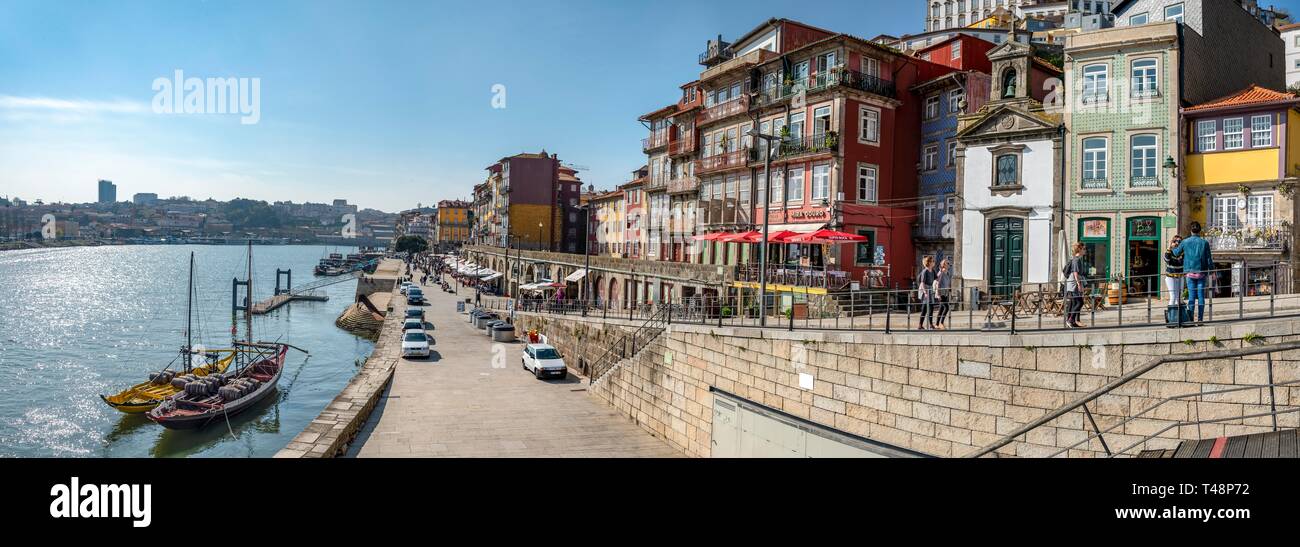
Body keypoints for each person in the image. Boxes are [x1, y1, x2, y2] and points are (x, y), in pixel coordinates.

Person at [1175, 222, 1214, 323]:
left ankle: (1191, 319)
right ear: (1200, 231)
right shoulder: (1204, 243)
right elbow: (1209, 259)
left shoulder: (1185, 242)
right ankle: (1200, 319)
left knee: (1191, 296)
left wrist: (1174, 245)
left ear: (1190, 230)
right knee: (1201, 296)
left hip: (1189, 272)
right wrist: (1212, 271)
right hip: (1201, 272)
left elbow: (1176, 253)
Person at [1064, 243, 1087, 329]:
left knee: (1076, 302)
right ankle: (1070, 320)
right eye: (1084, 249)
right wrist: (1079, 284)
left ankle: (1072, 321)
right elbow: (1075, 273)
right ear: (1080, 249)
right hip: (1074, 284)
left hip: (1073, 284)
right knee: (1080, 302)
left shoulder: (1076, 259)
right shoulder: (1076, 260)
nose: (1085, 250)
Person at [916, 256, 937, 330]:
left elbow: (937, 279)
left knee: (931, 307)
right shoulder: (925, 271)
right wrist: (925, 293)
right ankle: (921, 325)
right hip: (925, 290)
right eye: (932, 261)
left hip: (930, 290)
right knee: (925, 308)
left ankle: (930, 324)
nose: (934, 262)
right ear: (929, 263)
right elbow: (922, 283)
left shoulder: (933, 271)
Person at [1164, 235, 1184, 306]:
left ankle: (1178, 315)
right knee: (1173, 297)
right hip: (1170, 276)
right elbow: (1167, 260)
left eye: (1179, 241)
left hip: (1180, 276)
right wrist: (1169, 247)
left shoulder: (1182, 252)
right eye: (1175, 241)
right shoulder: (1170, 251)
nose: (1177, 243)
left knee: (1179, 297)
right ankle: (1171, 315)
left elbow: (1183, 262)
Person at [935, 258, 952, 330]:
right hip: (941, 293)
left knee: (941, 309)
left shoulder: (947, 273)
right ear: (944, 265)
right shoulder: (941, 273)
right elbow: (937, 284)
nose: (949, 265)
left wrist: (949, 289)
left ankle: (936, 324)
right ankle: (941, 323)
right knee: (946, 307)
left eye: (949, 264)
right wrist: (938, 294)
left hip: (945, 293)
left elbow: (948, 283)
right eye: (948, 263)